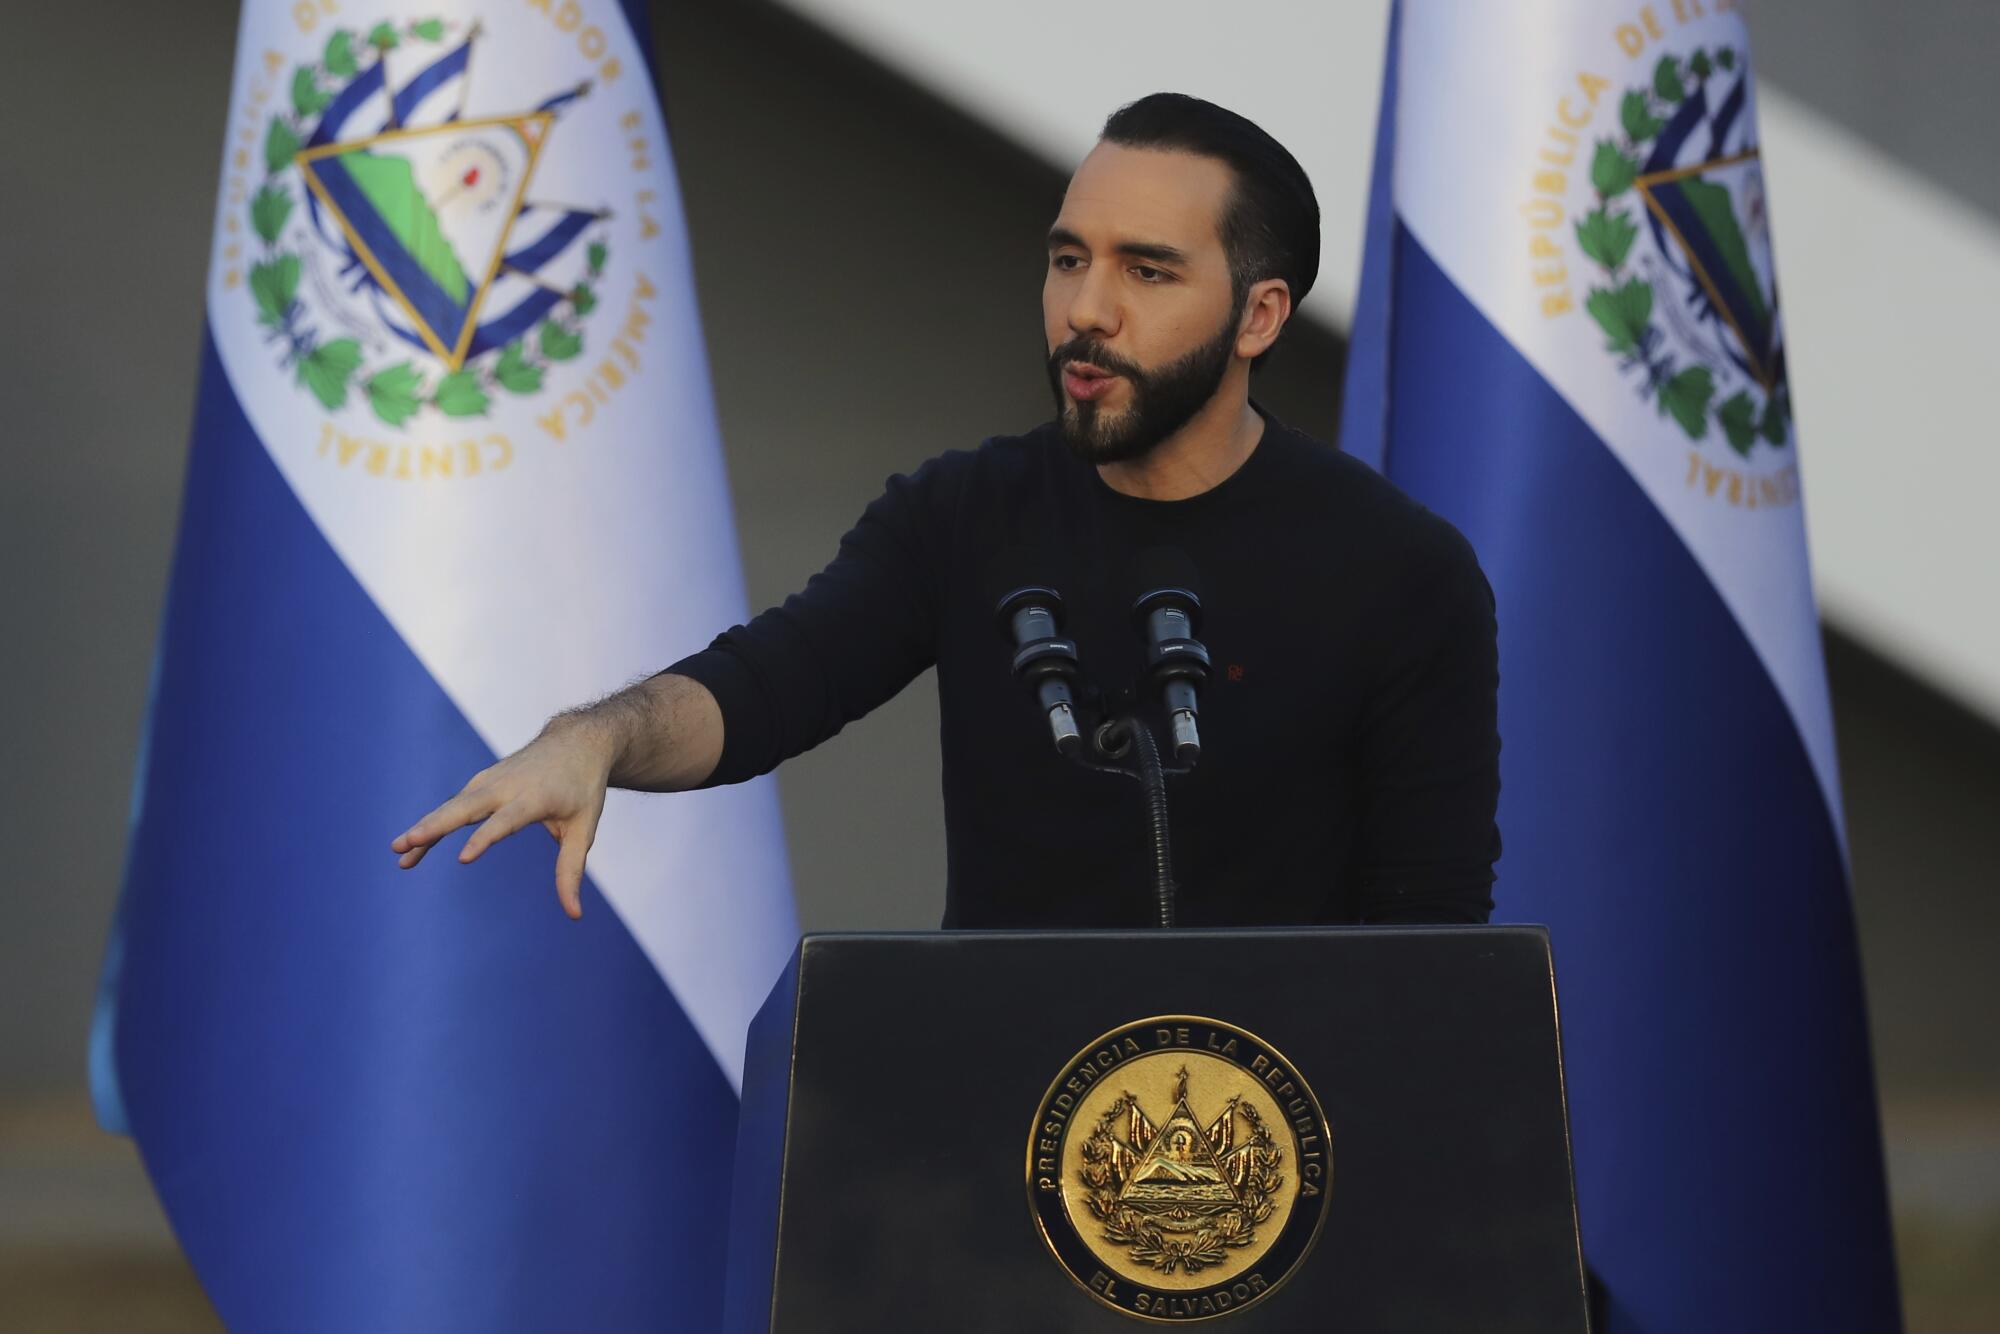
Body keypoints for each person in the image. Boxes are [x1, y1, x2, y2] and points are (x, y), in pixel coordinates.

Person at [391, 93, 1499, 929]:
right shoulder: (964, 514)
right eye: (1067, 259)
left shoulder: (1398, 571)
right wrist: (594, 737)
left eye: (1146, 272)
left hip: (1278, 1167)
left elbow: (1433, 944)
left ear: (1258, 316)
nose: (1084, 310)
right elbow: (763, 687)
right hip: (997, 1153)